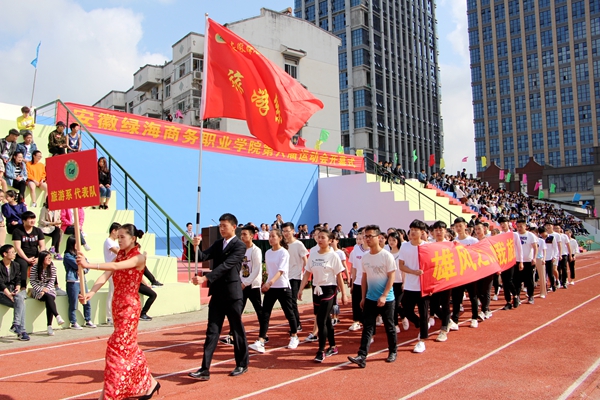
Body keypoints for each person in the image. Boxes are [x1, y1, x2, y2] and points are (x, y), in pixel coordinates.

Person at [77, 223, 160, 399]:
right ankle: (150, 382)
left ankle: (108, 395)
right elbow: (106, 275)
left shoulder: (138, 258)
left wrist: (88, 264)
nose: (119, 240)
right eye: (118, 236)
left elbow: (114, 268)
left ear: (133, 238)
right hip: (117, 306)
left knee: (116, 347)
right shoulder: (120, 255)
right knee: (129, 347)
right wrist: (90, 293)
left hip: (129, 308)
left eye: (123, 237)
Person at [188, 213, 249, 381]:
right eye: (220, 226)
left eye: (225, 226)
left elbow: (226, 266)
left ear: (233, 227)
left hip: (232, 294)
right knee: (212, 331)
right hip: (217, 295)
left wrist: (205, 277)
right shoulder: (218, 243)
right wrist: (195, 247)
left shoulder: (239, 246)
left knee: (237, 330)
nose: (221, 229)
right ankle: (204, 368)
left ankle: (242, 364)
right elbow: (202, 257)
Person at [347, 224, 397, 367]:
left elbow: (391, 277)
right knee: (368, 327)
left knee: (389, 326)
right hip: (370, 298)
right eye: (365, 236)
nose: (367, 239)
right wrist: (363, 297)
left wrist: (384, 295)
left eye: (370, 236)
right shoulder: (365, 257)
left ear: (379, 237)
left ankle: (393, 351)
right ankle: (362, 356)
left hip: (386, 299)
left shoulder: (386, 256)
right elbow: (364, 278)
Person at [299, 230, 348, 362]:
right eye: (318, 237)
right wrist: (301, 289)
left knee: (321, 320)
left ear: (330, 240)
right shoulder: (313, 255)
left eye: (323, 238)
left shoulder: (333, 256)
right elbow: (307, 274)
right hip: (316, 290)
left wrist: (344, 294)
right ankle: (333, 346)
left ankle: (321, 351)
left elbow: (339, 276)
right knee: (326, 321)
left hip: (329, 290)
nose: (320, 240)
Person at [249, 228, 300, 354]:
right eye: (269, 236)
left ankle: (294, 336)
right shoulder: (267, 252)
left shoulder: (284, 253)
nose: (271, 238)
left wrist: (269, 283)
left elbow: (281, 271)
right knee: (265, 314)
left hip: (282, 287)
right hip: (271, 288)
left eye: (273, 236)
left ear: (280, 238)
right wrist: (266, 282)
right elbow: (269, 270)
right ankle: (261, 340)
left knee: (289, 313)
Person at [225, 225, 266, 347]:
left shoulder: (256, 250)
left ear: (252, 236)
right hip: (241, 285)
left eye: (245, 234)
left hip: (252, 285)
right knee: (237, 310)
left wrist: (246, 283)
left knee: (259, 310)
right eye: (241, 234)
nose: (242, 237)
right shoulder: (240, 249)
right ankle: (232, 335)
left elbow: (257, 269)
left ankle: (263, 335)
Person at [399, 220, 431, 353]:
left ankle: (422, 340)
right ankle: (419, 323)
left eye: (416, 230)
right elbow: (401, 265)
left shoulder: (428, 246)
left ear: (422, 232)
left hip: (424, 287)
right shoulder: (405, 246)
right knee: (406, 310)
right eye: (411, 229)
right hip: (410, 286)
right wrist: (414, 272)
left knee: (424, 314)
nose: (413, 232)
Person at [429, 221, 455, 342]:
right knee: (433, 305)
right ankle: (448, 320)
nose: (439, 232)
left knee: (445, 304)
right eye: (436, 230)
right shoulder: (429, 245)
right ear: (433, 232)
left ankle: (444, 330)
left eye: (441, 229)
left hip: (446, 279)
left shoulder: (451, 245)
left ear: (445, 231)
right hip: (434, 279)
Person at [451, 217, 479, 328]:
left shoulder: (473, 241)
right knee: (457, 298)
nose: (458, 228)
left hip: (471, 273)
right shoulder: (453, 242)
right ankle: (455, 320)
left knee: (473, 297)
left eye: (460, 226)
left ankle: (474, 318)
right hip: (459, 274)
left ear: (465, 226)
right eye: (456, 226)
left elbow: (478, 256)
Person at [63, 236, 96, 330]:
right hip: (73, 281)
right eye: (76, 243)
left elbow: (87, 265)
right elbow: (78, 265)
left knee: (86, 300)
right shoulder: (67, 255)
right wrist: (82, 267)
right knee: (73, 302)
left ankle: (88, 319)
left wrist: (84, 269)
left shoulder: (80, 255)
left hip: (82, 280)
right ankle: (73, 322)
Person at [281, 222, 308, 332]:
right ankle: (293, 322)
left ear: (293, 231)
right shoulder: (282, 244)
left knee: (292, 301)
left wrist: (306, 276)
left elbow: (305, 260)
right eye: (284, 231)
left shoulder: (298, 244)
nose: (286, 233)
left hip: (295, 276)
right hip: (284, 277)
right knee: (285, 303)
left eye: (288, 231)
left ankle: (297, 324)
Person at [30, 251, 65, 335]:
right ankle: (56, 317)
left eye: (50, 258)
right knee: (49, 298)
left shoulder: (52, 268)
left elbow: (52, 281)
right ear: (42, 259)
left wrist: (45, 290)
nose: (50, 260)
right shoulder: (35, 268)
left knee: (49, 298)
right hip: (37, 290)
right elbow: (32, 281)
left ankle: (50, 325)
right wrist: (41, 290)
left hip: (49, 289)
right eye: (48, 258)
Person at [0, 244, 29, 340]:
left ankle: (16, 325)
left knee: (20, 299)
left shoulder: (16, 265)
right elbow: (0, 283)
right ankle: (22, 330)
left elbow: (18, 279)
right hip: (2, 293)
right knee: (21, 303)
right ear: (4, 254)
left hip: (12, 291)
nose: (14, 254)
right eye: (12, 252)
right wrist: (9, 294)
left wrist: (17, 289)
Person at [12, 211, 45, 289]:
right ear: (24, 220)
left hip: (36, 256)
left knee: (48, 262)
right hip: (22, 256)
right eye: (30, 219)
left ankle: (55, 286)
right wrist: (27, 259)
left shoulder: (38, 231)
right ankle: (23, 287)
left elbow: (42, 246)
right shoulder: (17, 231)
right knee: (23, 265)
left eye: (33, 218)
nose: (32, 221)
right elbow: (18, 248)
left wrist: (39, 257)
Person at [498, 216, 524, 310]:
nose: (502, 225)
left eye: (504, 223)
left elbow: (519, 248)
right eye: (501, 224)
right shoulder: (500, 235)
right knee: (504, 282)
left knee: (509, 280)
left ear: (508, 223)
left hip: (513, 260)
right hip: (503, 261)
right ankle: (508, 301)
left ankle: (516, 296)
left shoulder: (514, 235)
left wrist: (521, 261)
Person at [387, 231, 409, 333]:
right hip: (390, 283)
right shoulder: (387, 254)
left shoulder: (402, 253)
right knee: (392, 305)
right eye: (390, 240)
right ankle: (395, 324)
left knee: (398, 304)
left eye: (394, 240)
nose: (391, 242)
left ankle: (404, 316)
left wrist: (404, 282)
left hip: (400, 281)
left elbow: (403, 269)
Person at [348, 227, 368, 331]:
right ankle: (356, 321)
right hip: (358, 281)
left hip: (370, 282)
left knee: (369, 305)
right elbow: (354, 268)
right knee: (356, 303)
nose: (364, 238)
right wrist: (352, 282)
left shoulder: (373, 250)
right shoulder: (356, 250)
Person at [516, 219, 538, 304]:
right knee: (517, 280)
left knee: (529, 280)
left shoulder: (531, 235)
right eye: (517, 226)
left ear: (525, 226)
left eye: (521, 226)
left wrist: (534, 258)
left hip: (528, 261)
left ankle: (531, 296)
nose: (519, 228)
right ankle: (517, 296)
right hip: (517, 261)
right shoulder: (515, 235)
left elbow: (535, 247)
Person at [104, 222, 120, 326]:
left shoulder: (115, 242)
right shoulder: (108, 241)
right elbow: (118, 252)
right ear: (113, 231)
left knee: (116, 294)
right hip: (110, 270)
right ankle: (110, 317)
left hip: (117, 270)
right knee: (112, 294)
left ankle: (115, 315)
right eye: (118, 232)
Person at [535, 226, 548, 299]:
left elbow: (544, 250)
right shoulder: (529, 240)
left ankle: (543, 291)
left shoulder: (541, 241)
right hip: (531, 259)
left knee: (542, 276)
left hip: (540, 258)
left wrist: (544, 259)